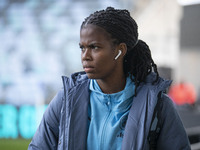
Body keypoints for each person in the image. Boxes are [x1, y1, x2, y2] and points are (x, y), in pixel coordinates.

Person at [28, 7, 191, 150]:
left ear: (120, 50)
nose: (85, 56)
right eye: (82, 48)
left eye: (94, 47)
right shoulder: (66, 99)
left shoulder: (159, 106)